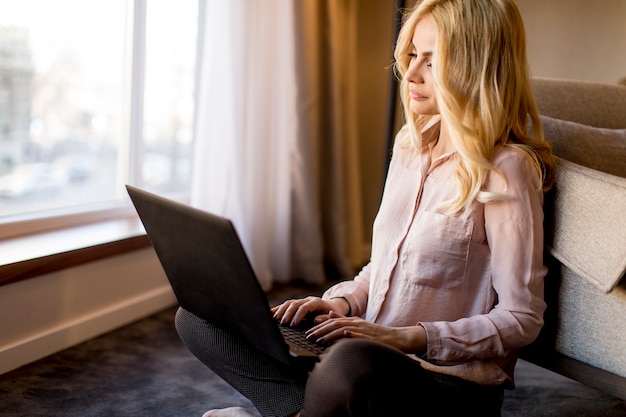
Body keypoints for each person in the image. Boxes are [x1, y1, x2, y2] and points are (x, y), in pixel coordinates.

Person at [176, 0, 555, 416]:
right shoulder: (410, 147)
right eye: (412, 54)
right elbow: (385, 265)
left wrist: (405, 338)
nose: (410, 73)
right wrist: (342, 304)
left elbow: (522, 318)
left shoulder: (507, 169)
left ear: (475, 67)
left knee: (348, 366)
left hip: (443, 384)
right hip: (363, 351)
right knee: (200, 316)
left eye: (431, 61)